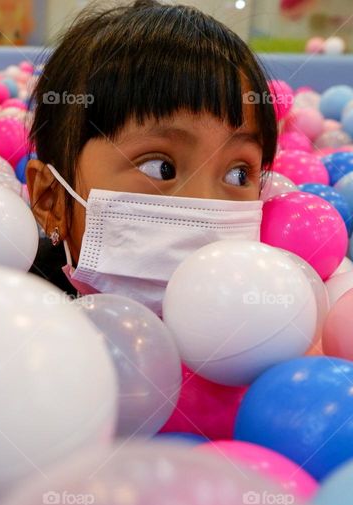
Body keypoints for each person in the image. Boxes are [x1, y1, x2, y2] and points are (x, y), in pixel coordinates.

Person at [25, 0, 278, 314]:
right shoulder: (21, 311)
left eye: (238, 174)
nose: (203, 202)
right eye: (161, 167)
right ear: (51, 201)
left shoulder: (276, 314)